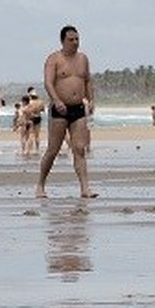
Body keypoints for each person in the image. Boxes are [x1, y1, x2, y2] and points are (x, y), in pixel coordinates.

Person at [36, 25, 96, 199]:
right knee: (53, 150)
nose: (75, 42)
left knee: (79, 148)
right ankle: (40, 185)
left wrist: (91, 100)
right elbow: (48, 83)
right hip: (59, 109)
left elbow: (87, 81)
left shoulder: (83, 59)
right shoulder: (54, 59)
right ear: (63, 41)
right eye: (71, 40)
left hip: (78, 109)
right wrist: (56, 100)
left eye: (77, 39)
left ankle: (85, 189)